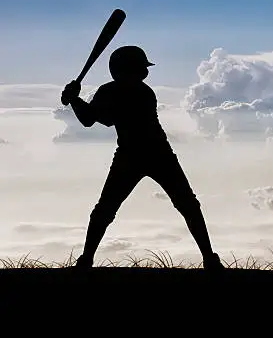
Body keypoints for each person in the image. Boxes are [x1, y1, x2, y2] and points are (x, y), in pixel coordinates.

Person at [61, 45, 224, 271]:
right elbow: (90, 119)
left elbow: (100, 118)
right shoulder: (115, 91)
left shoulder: (140, 93)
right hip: (146, 154)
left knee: (184, 204)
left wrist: (74, 99)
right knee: (183, 204)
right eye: (139, 68)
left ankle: (209, 258)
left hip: (150, 154)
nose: (144, 73)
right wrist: (75, 100)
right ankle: (86, 260)